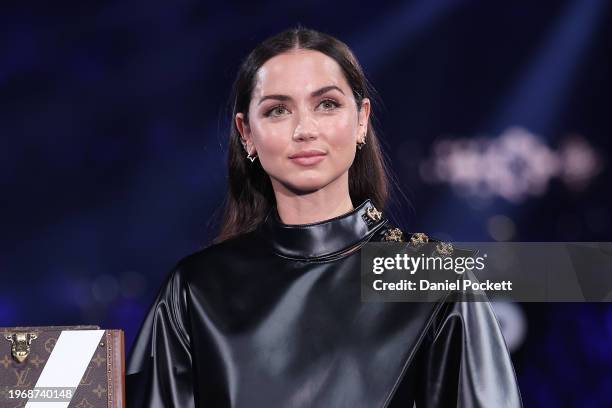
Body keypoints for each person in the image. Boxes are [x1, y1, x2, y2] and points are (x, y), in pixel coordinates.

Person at [125, 26, 522, 407]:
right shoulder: (197, 287)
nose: (305, 129)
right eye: (278, 110)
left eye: (327, 104)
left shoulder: (432, 276)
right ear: (246, 133)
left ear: (361, 119)